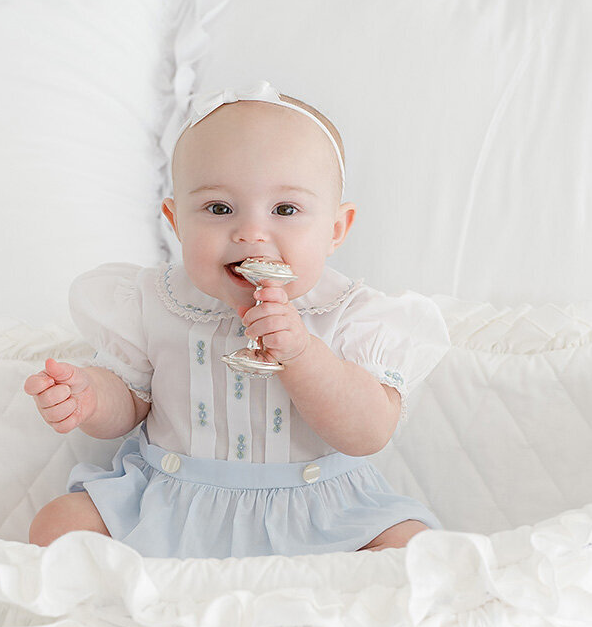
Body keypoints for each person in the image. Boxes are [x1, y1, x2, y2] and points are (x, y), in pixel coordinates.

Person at [24, 81, 450, 558]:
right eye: (219, 208)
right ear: (176, 222)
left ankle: (319, 615)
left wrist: (303, 353)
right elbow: (131, 404)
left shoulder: (352, 313)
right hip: (171, 501)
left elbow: (368, 433)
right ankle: (151, 609)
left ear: (335, 229)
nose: (250, 233)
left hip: (318, 513)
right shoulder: (153, 301)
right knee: (58, 525)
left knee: (411, 550)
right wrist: (90, 398)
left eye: (285, 209)